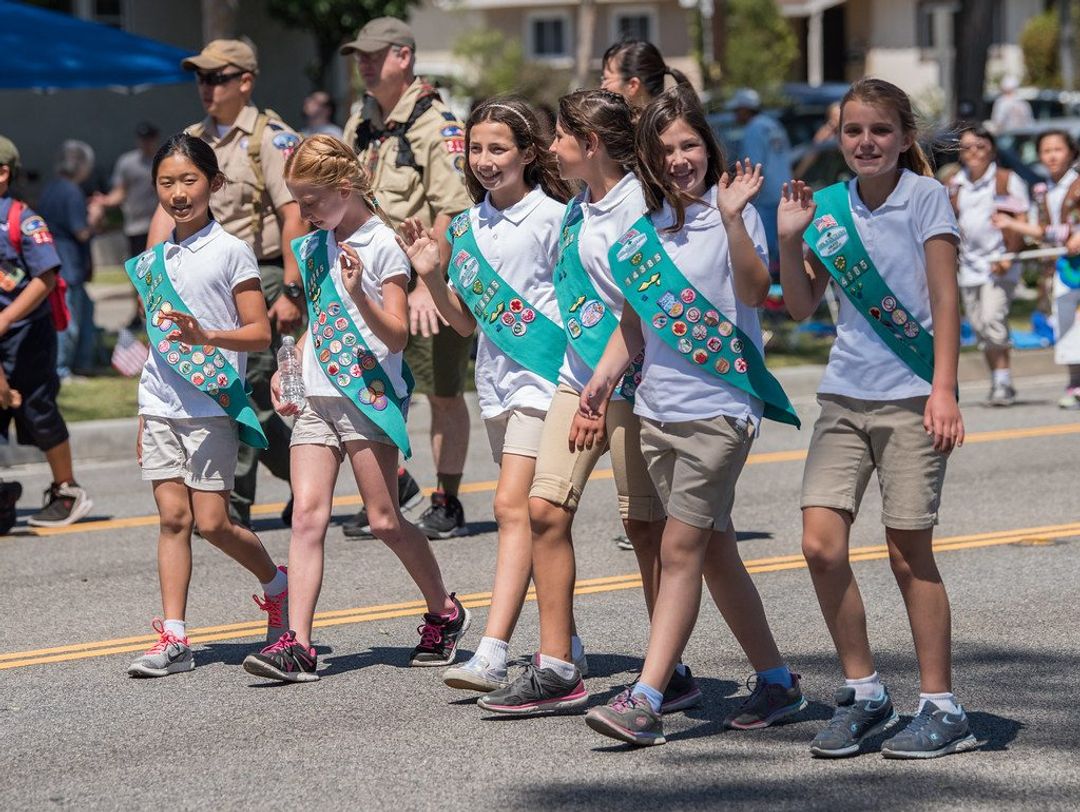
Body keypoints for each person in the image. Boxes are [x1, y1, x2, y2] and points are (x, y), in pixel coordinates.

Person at [577, 87, 805, 746]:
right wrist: (602, 375)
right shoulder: (644, 233)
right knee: (715, 554)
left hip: (720, 411)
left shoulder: (730, 214)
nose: (681, 159)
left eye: (690, 145)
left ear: (708, 147)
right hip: (658, 413)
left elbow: (758, 293)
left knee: (679, 549)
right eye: (667, 149)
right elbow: (633, 324)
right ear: (648, 159)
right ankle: (778, 681)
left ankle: (647, 697)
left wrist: (734, 218)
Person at [778, 78, 976, 759]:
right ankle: (864, 692)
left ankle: (943, 707)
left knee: (906, 550)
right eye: (854, 130)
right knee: (819, 544)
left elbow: (947, 301)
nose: (866, 142)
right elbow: (801, 306)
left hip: (913, 395)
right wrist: (789, 240)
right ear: (839, 136)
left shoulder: (928, 197)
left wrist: (943, 390)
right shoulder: (827, 209)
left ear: (905, 137)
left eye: (880, 131)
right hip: (844, 395)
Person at [241, 135, 469, 682]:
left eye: (312, 199)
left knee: (386, 520)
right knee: (306, 516)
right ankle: (298, 644)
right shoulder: (316, 244)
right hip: (318, 398)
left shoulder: (382, 246)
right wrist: (289, 364)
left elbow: (393, 337)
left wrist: (359, 291)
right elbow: (320, 317)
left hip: (366, 396)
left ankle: (445, 611)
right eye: (297, 201)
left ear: (345, 189)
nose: (303, 212)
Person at [478, 90, 669, 716]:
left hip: (634, 384)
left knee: (644, 527)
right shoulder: (578, 208)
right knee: (544, 510)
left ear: (589, 144)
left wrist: (605, 385)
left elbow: (640, 309)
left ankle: (670, 668)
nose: (551, 147)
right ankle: (557, 665)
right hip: (576, 378)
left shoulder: (640, 206)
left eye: (559, 137)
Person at [394, 97, 582, 691]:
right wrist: (428, 271)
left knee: (510, 508)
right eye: (476, 149)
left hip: (546, 381)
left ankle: (494, 647)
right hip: (497, 387)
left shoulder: (556, 217)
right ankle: (565, 641)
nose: (484, 160)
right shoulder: (468, 228)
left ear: (529, 153)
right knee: (531, 517)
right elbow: (466, 323)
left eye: (498, 148)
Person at [124, 134, 288, 677]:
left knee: (213, 522)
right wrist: (145, 406)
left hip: (213, 403)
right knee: (173, 519)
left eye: (189, 180)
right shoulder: (154, 261)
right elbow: (155, 343)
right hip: (161, 401)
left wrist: (206, 337)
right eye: (166, 183)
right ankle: (175, 637)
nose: (178, 193)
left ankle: (277, 585)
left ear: (214, 184)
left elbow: (260, 334)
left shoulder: (232, 250)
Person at [146, 39, 303, 529]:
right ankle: (305, 471)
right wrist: (151, 278)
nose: (206, 87)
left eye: (217, 77)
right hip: (192, 274)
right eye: (201, 78)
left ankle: (232, 502)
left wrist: (293, 290)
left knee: (243, 383)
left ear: (245, 82)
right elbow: (162, 214)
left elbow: (292, 211)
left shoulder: (271, 138)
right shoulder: (192, 138)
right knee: (246, 393)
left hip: (259, 270)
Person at [340, 17, 475, 539]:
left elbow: (452, 210)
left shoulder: (436, 125)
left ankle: (448, 500)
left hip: (426, 279)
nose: (364, 64)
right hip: (372, 278)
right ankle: (392, 486)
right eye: (360, 56)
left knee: (442, 393)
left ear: (404, 56)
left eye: (374, 55)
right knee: (369, 388)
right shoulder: (362, 120)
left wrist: (426, 283)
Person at [0, 135, 93, 529]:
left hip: (27, 334)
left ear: (3, 173)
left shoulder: (22, 218)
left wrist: (5, 319)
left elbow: (46, 276)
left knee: (37, 410)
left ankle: (67, 489)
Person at [994, 129, 1080, 409]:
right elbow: (1042, 231)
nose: (1052, 156)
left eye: (1058, 149)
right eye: (1046, 151)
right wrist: (1010, 225)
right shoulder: (1043, 191)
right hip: (1062, 270)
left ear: (1071, 152)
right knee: (1065, 324)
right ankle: (1075, 384)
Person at [948, 125, 1029, 406]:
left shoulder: (1007, 180)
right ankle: (998, 379)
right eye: (967, 147)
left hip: (999, 263)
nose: (974, 152)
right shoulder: (955, 183)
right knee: (981, 326)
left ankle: (1003, 383)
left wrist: (1010, 254)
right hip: (968, 266)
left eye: (980, 146)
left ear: (991, 149)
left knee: (994, 319)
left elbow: (1022, 220)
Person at [37, 140, 102, 379]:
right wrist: (95, 218)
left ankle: (81, 362)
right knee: (68, 320)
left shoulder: (51, 188)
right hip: (69, 264)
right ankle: (62, 368)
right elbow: (81, 231)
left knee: (81, 314)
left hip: (54, 261)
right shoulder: (72, 191)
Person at [94, 122, 161, 328]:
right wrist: (105, 201)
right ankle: (139, 311)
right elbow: (120, 191)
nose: (145, 143)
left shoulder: (163, 160)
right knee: (138, 273)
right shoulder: (128, 162)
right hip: (136, 227)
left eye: (149, 139)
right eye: (142, 139)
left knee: (159, 272)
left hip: (159, 225)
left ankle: (160, 312)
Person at [727, 88, 792, 264]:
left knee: (768, 250)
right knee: (784, 246)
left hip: (764, 197)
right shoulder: (773, 125)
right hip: (784, 192)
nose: (735, 115)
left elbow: (753, 166)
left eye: (737, 110)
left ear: (746, 109)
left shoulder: (753, 129)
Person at [600, 39, 690, 110]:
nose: (602, 87)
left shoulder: (663, 131)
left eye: (606, 79)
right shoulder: (670, 124)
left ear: (633, 85)